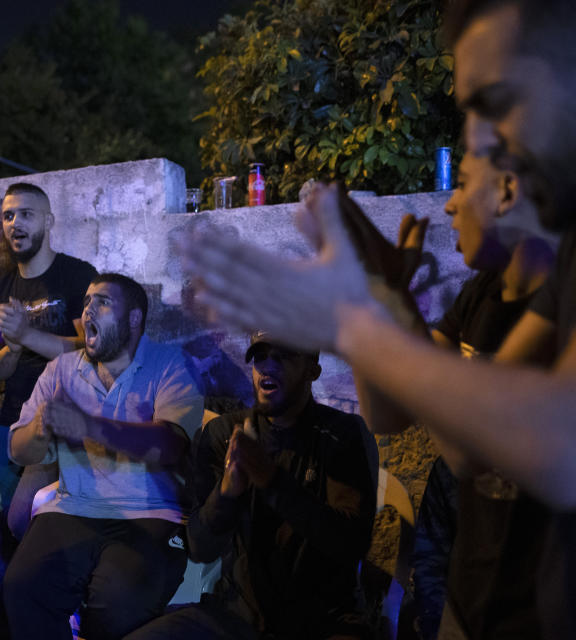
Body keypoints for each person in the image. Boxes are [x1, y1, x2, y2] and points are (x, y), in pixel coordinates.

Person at [176, 0, 576, 636]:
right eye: (469, 107)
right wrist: (383, 297)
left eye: (494, 102)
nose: (473, 136)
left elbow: (558, 442)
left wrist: (352, 320)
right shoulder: (486, 291)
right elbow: (423, 425)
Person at [127, 332, 375, 640]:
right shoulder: (224, 433)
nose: (268, 367)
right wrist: (226, 493)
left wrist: (271, 480)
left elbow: (350, 544)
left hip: (324, 621)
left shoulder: (344, 434)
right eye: (260, 357)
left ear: (313, 370)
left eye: (283, 356)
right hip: (236, 616)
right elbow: (201, 547)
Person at [4, 273, 204, 640]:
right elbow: (18, 450)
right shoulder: (61, 369)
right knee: (21, 590)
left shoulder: (169, 364)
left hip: (150, 512)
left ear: (134, 319)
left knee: (115, 607)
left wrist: (88, 427)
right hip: (74, 507)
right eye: (86, 301)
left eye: (103, 301)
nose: (88, 309)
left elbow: (170, 444)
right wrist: (39, 430)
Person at [410, 153, 556, 639]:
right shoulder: (481, 291)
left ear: (509, 192)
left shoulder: (559, 301)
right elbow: (417, 376)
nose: (449, 203)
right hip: (469, 603)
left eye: (464, 184)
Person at [0, 182, 97, 517]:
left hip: (66, 423)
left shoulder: (78, 276)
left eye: (26, 215)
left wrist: (25, 334)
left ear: (48, 221)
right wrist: (12, 350)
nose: (15, 223)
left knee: (61, 521)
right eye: (8, 216)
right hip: (13, 423)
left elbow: (92, 348)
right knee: (10, 520)